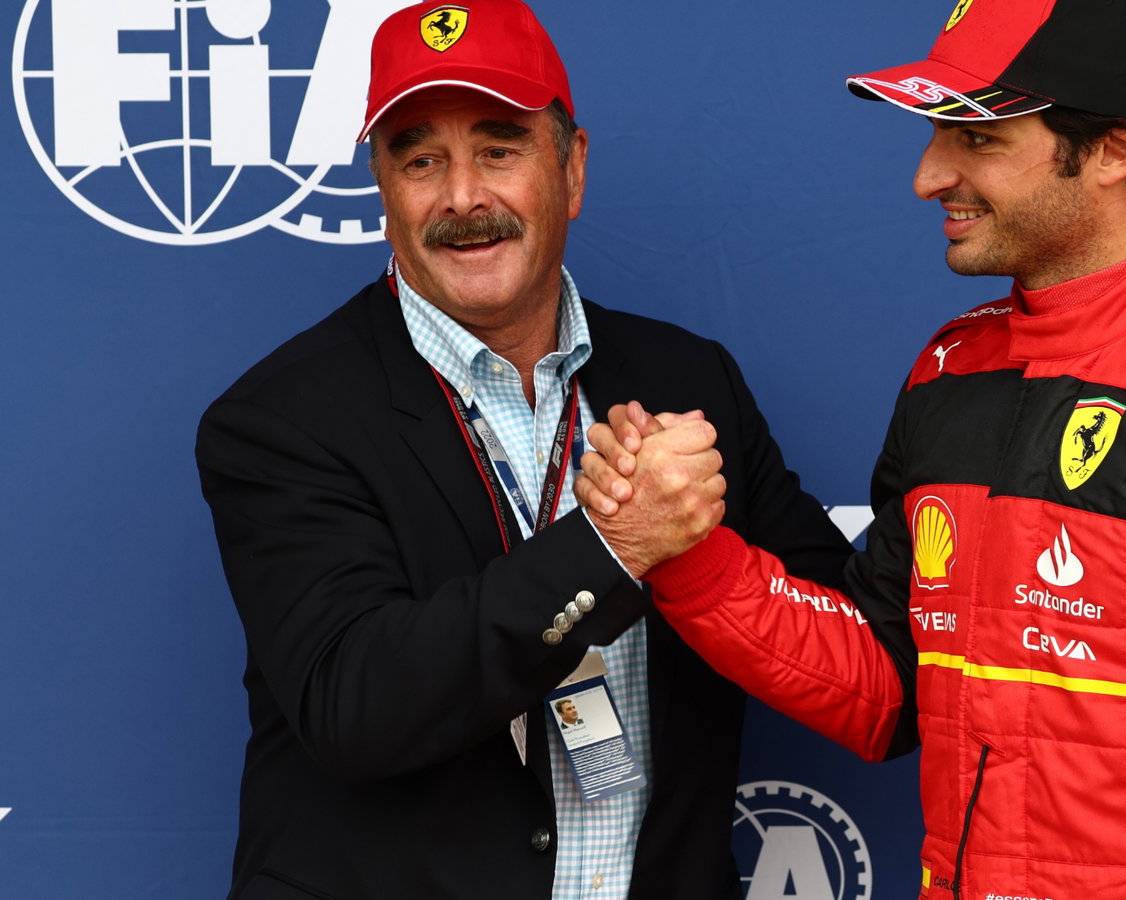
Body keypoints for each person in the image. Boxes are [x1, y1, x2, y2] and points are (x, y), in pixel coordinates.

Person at [577, 0, 1126, 897]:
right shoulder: (952, 369)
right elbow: (884, 690)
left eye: (979, 138)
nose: (929, 176)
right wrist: (686, 554)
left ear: (1116, 149)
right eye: (936, 134)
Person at [194, 1, 850, 897]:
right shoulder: (281, 417)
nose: (463, 198)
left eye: (499, 150)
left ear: (571, 169)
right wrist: (615, 547)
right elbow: (355, 709)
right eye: (421, 160)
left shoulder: (688, 379)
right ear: (382, 187)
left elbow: (841, 632)